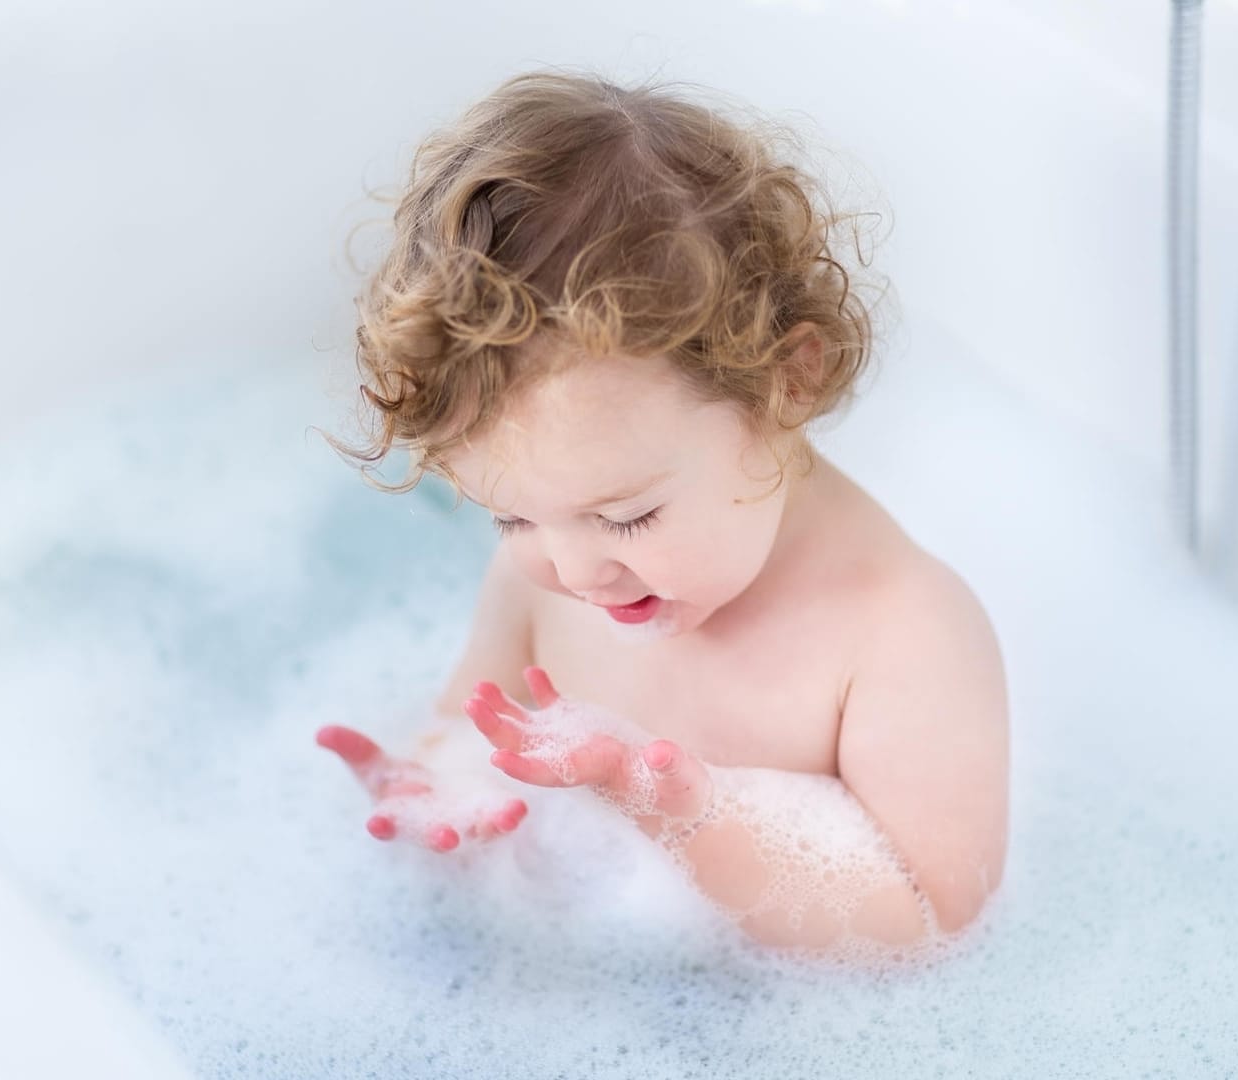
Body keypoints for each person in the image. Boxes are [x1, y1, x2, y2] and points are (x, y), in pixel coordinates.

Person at [316, 69, 1008, 951]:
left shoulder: (902, 632)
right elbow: (461, 726)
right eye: (511, 519)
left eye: (628, 517)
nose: (570, 572)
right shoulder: (554, 574)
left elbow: (931, 925)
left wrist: (683, 815)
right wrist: (440, 798)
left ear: (785, 383)